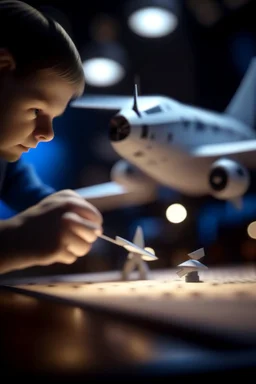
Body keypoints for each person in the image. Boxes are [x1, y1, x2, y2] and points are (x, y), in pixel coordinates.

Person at [0, 0, 103, 274]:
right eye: (36, 110)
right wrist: (16, 241)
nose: (47, 134)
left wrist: (67, 213)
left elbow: (35, 197)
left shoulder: (5, 161)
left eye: (53, 118)